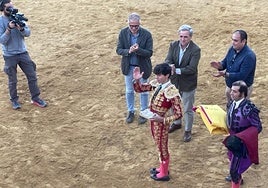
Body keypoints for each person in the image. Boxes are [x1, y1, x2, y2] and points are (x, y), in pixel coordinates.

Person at [133, 63, 183, 181]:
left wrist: (163, 120)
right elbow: (140, 89)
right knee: (158, 145)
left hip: (161, 123)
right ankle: (162, 168)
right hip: (153, 119)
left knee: (162, 146)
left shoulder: (172, 91)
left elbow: (179, 114)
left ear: (167, 75)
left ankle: (164, 173)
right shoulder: (157, 84)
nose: (157, 78)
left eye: (159, 75)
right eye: (156, 75)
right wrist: (137, 81)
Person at [0, 0, 47, 109]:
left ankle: (35, 98)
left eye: (12, 6)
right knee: (13, 80)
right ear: (2, 9)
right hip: (9, 55)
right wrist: (8, 29)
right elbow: (2, 40)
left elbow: (27, 33)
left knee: (32, 76)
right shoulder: (1, 22)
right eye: (8, 8)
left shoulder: (18, 17)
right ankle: (14, 101)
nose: (11, 9)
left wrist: (21, 28)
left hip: (23, 53)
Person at [164, 24, 201, 142]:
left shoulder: (195, 50)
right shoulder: (173, 45)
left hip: (188, 83)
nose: (183, 39)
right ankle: (177, 122)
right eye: (181, 36)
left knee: (187, 108)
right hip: (175, 82)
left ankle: (188, 130)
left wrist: (176, 70)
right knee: (174, 104)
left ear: (190, 37)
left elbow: (192, 68)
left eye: (185, 37)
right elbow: (168, 59)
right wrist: (170, 65)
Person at [222, 80, 262, 188]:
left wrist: (242, 137)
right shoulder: (231, 103)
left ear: (242, 93)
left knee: (234, 171)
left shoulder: (248, 108)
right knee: (232, 159)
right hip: (232, 137)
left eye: (234, 92)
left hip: (242, 142)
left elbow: (258, 127)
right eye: (231, 90)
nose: (231, 93)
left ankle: (237, 179)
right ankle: (239, 179)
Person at [116, 12, 153, 125]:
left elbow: (149, 53)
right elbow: (118, 50)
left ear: (139, 24)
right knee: (129, 91)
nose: (134, 28)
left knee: (144, 91)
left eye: (136, 26)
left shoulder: (147, 34)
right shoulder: (122, 33)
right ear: (128, 24)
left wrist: (138, 50)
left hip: (142, 67)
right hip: (129, 67)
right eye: (131, 26)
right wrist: (129, 51)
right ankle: (131, 111)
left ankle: (143, 111)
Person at [210, 30, 256, 107]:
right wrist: (220, 66)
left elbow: (242, 76)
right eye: (232, 39)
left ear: (243, 41)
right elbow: (225, 62)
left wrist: (225, 74)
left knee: (239, 111)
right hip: (230, 87)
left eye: (235, 40)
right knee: (230, 106)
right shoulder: (232, 49)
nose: (233, 42)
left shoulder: (249, 56)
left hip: (241, 90)